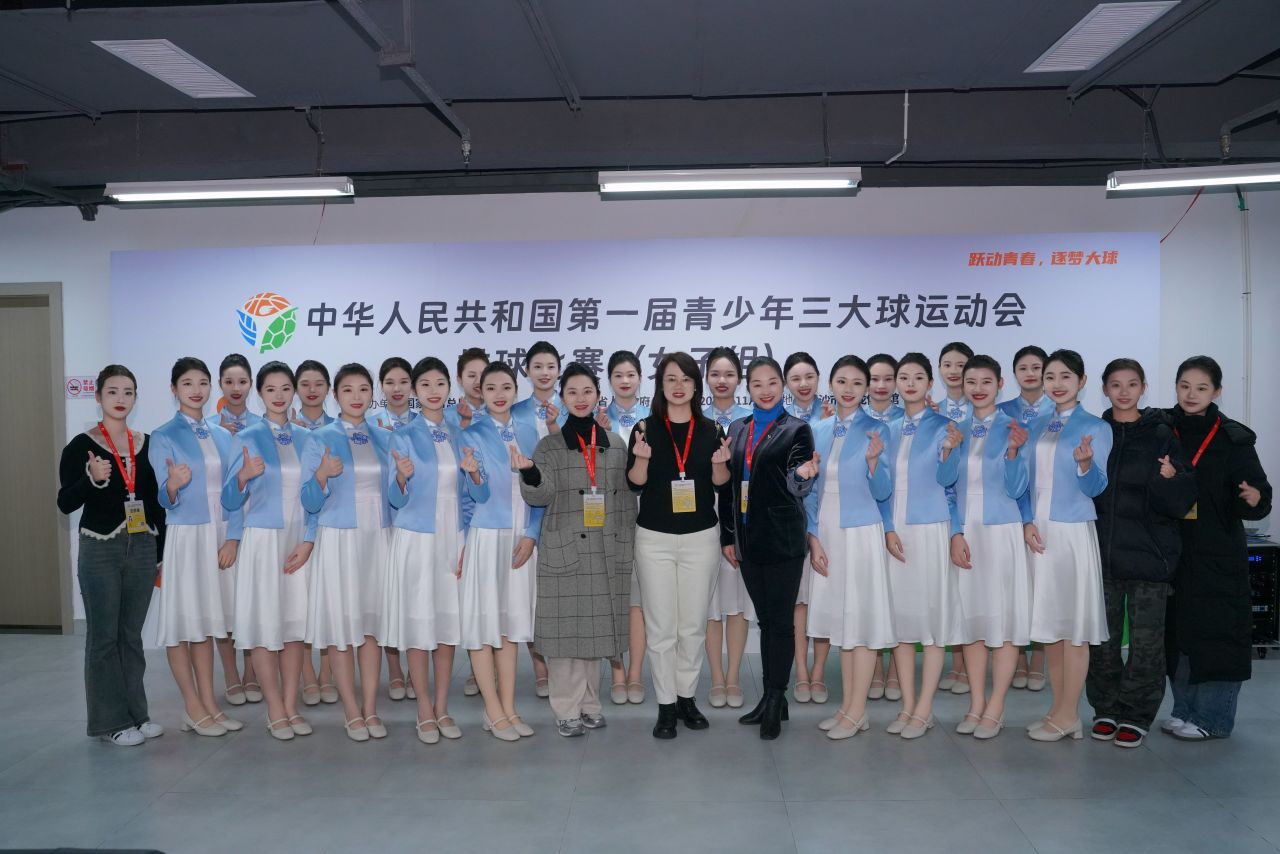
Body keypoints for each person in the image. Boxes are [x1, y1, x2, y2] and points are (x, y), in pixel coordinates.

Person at [518, 363, 639, 735]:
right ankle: (566, 708)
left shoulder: (615, 444)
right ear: (562, 397)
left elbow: (626, 500)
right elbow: (540, 495)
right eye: (572, 392)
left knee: (595, 632)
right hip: (566, 546)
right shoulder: (549, 446)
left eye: (587, 391)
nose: (580, 398)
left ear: (598, 396)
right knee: (565, 635)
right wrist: (530, 471)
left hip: (605, 548)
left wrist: (626, 543)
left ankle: (589, 703)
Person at [1086, 358, 1196, 747]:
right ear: (1104, 389)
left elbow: (1183, 499)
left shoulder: (1162, 434)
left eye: (1132, 384)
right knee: (1102, 641)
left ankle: (1136, 714)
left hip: (1151, 556)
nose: (1124, 392)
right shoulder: (1095, 432)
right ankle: (1105, 708)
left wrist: (1170, 479)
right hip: (1102, 555)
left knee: (1146, 645)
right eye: (1115, 385)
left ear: (1143, 388)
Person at [1164, 355, 1272, 740]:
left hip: (1217, 551)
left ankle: (1213, 719)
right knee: (1177, 634)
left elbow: (1259, 497)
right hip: (1174, 550)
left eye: (1201, 388)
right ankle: (1184, 709)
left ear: (1217, 391)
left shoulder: (1233, 438)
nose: (1191, 394)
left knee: (1218, 635)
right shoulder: (1163, 428)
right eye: (1185, 386)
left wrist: (1254, 498)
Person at [57, 365, 166, 746]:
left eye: (128, 392)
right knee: (103, 638)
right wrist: (92, 478)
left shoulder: (147, 443)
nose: (121, 399)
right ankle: (110, 723)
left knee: (131, 636)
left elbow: (155, 503)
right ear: (99, 396)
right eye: (113, 392)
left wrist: (160, 553)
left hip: (143, 546)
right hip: (100, 548)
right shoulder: (80, 446)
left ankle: (138, 715)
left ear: (136, 398)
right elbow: (65, 502)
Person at [627, 352, 729, 738]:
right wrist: (640, 459)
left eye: (686, 378)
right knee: (661, 628)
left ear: (696, 386)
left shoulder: (712, 430)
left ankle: (687, 698)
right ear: (660, 385)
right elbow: (635, 483)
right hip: (654, 539)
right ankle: (666, 705)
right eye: (671, 379)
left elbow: (721, 484)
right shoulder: (644, 428)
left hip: (700, 538)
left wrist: (721, 464)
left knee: (692, 626)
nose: (679, 385)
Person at [720, 356, 818, 739]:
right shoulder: (738, 427)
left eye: (772, 382)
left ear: (782, 386)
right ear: (748, 388)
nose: (765, 390)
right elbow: (729, 487)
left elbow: (797, 481)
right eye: (757, 384)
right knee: (765, 621)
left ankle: (776, 699)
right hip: (747, 540)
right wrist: (729, 536)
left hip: (782, 539)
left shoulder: (797, 429)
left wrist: (802, 475)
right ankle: (771, 696)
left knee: (780, 623)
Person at [147, 356, 244, 736]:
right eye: (187, 383)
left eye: (203, 382)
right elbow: (163, 498)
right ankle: (191, 705)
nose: (196, 390)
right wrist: (172, 485)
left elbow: (235, 491)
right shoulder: (164, 435)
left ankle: (209, 704)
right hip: (188, 535)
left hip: (219, 534)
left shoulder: (222, 434)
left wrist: (233, 537)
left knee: (206, 623)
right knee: (183, 623)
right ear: (174, 389)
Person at [221, 361, 316, 740]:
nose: (279, 395)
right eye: (271, 389)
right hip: (262, 540)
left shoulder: (307, 438)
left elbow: (317, 496)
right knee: (264, 626)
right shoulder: (246, 437)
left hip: (298, 542)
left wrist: (309, 539)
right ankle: (274, 708)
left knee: (294, 626)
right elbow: (230, 500)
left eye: (285, 388)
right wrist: (243, 477)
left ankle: (291, 705)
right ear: (260, 393)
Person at [938, 355, 1032, 740]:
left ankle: (996, 707)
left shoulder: (1016, 428)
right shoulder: (955, 429)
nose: (978, 389)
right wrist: (955, 533)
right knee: (972, 621)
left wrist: (1012, 453)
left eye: (986, 382)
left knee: (1003, 622)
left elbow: (1018, 489)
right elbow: (945, 486)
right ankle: (976, 703)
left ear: (1000, 385)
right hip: (967, 532)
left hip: (1002, 531)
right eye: (971, 382)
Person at [299, 363, 394, 741]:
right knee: (342, 628)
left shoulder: (385, 437)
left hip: (379, 539)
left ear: (373, 394)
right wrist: (321, 475)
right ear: (335, 395)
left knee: (371, 628)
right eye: (348, 390)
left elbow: (397, 495)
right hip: (339, 539)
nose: (357, 397)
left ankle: (371, 708)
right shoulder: (319, 438)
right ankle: (351, 712)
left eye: (364, 389)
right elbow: (308, 501)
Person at [1023, 349, 1113, 742]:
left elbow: (1097, 487)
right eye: (1050, 377)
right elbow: (1025, 480)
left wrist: (1085, 464)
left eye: (1065, 377)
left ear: (1082, 381)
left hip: (1071, 531)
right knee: (1051, 627)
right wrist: (1027, 521)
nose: (1057, 384)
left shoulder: (1095, 427)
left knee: (1073, 628)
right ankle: (1058, 710)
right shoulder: (1039, 424)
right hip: (1039, 530)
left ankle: (1069, 714)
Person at [804, 356, 893, 740]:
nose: (849, 389)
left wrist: (873, 463)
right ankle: (847, 709)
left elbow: (884, 491)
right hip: (827, 531)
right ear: (831, 385)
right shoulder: (817, 429)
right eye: (842, 381)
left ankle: (857, 711)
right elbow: (808, 491)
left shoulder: (878, 429)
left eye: (858, 383)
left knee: (861, 621)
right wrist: (813, 537)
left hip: (860, 532)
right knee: (841, 623)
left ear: (867, 388)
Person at [382, 357, 471, 744]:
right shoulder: (402, 435)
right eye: (425, 385)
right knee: (419, 623)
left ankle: (442, 707)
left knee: (447, 624)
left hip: (453, 535)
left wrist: (467, 539)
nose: (434, 391)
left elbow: (469, 494)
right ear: (415, 392)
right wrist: (402, 479)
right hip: (417, 537)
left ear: (449, 388)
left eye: (440, 384)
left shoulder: (459, 433)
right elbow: (393, 498)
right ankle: (423, 710)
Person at [880, 353, 966, 738]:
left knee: (931, 622)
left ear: (931, 383)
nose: (910, 383)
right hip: (895, 531)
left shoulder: (946, 426)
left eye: (918, 377)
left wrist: (949, 451)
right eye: (904, 377)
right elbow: (879, 486)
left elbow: (950, 483)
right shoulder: (887, 428)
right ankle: (907, 705)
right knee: (900, 622)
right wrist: (886, 528)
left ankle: (925, 708)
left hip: (930, 529)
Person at [459, 362, 545, 740]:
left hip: (520, 538)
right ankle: (492, 710)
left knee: (510, 626)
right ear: (480, 391)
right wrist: (475, 475)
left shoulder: (529, 430)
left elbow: (541, 488)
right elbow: (473, 497)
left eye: (506, 387)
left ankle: (509, 707)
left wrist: (532, 534)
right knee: (485, 625)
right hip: (487, 536)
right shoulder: (471, 434)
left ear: (515, 391)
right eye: (490, 387)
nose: (498, 394)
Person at [510, 341, 566, 697]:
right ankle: (540, 668)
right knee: (531, 595)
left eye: (551, 366)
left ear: (559, 370)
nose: (545, 373)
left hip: (567, 510)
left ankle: (562, 666)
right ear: (527, 371)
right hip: (527, 505)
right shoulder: (513, 412)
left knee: (558, 596)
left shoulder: (573, 406)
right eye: (538, 366)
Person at [998, 344, 1053, 692]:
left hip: (1046, 509)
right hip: (1008, 507)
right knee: (1013, 588)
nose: (1030, 374)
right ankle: (1017, 659)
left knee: (1042, 586)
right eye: (1023, 368)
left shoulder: (1059, 410)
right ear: (1014, 374)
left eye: (1037, 368)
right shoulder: (1002, 413)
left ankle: (1039, 662)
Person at [596, 350, 650, 705]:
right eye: (618, 375)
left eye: (631, 374)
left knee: (638, 601)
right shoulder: (598, 420)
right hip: (608, 516)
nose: (625, 381)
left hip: (646, 517)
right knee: (613, 597)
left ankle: (635, 674)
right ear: (610, 381)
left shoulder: (652, 421)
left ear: (640, 379)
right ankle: (617, 672)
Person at [703, 347, 754, 709]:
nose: (722, 381)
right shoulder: (694, 420)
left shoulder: (750, 422)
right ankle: (716, 678)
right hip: (701, 518)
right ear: (706, 379)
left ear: (739, 380)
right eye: (715, 374)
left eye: (729, 374)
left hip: (738, 519)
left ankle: (733, 677)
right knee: (709, 605)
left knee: (736, 603)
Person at [784, 351, 832, 704]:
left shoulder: (833, 418)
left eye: (809, 377)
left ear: (819, 379)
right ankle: (801, 671)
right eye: (796, 378)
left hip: (827, 517)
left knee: (824, 598)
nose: (803, 384)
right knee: (798, 601)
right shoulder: (781, 420)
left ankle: (819, 672)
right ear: (787, 383)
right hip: (791, 519)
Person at [215, 353, 260, 706]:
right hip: (222, 524)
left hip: (258, 524)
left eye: (242, 381)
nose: (235, 388)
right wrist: (231, 536)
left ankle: (252, 673)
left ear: (251, 385)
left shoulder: (262, 426)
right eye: (229, 381)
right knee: (226, 605)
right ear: (220, 384)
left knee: (253, 603)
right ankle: (231, 674)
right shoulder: (208, 428)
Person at [290, 359, 335, 704]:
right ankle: (307, 675)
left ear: (329, 389)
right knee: (299, 603)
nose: (312, 390)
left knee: (331, 601)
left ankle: (328, 675)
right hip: (293, 523)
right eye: (305, 384)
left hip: (328, 525)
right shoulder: (285, 430)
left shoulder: (338, 429)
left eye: (319, 383)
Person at [374, 356, 417, 702]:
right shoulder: (371, 425)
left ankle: (416, 672)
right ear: (381, 387)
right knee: (387, 599)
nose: (397, 389)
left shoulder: (424, 424)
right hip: (377, 521)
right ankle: (394, 670)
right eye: (390, 382)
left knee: (413, 598)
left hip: (410, 524)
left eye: (403, 382)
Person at [444, 346, 490, 433]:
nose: (478, 381)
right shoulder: (446, 416)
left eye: (483, 374)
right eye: (472, 376)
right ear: (459, 379)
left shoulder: (501, 414)